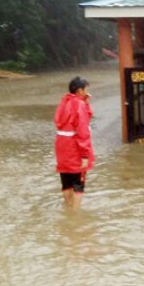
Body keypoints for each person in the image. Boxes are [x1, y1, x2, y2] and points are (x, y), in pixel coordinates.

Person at [54, 76, 95, 210]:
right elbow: (83, 130)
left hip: (61, 146)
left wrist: (85, 101)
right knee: (78, 181)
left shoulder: (64, 101)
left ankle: (68, 207)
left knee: (66, 180)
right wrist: (84, 155)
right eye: (85, 89)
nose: (87, 91)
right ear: (79, 90)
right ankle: (75, 213)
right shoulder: (79, 104)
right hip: (74, 147)